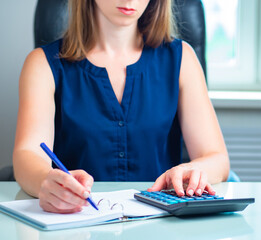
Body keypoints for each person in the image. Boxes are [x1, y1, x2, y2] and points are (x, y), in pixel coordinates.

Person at [13, 0, 229, 213]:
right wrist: (46, 181)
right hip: (78, 222)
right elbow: (28, 154)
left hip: (160, 222)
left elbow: (216, 158)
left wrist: (194, 171)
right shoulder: (42, 63)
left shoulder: (182, 58)